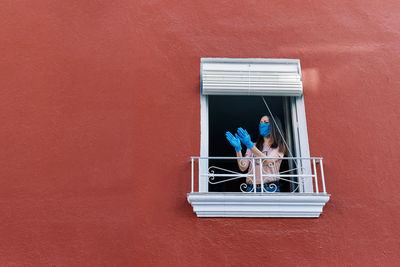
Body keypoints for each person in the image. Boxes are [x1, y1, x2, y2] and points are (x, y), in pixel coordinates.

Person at [225, 115, 287, 192]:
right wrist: (238, 149)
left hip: (270, 188)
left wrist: (249, 144)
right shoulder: (253, 146)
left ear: (274, 126)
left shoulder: (279, 146)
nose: (262, 125)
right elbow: (243, 167)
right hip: (251, 188)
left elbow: (267, 160)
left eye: (266, 122)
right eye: (260, 122)